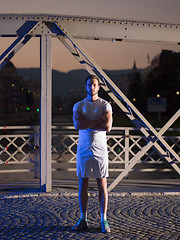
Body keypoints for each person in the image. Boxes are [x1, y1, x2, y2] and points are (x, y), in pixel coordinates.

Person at [72, 74, 113, 233]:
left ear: (98, 87)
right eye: (89, 85)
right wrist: (98, 120)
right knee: (83, 185)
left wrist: (88, 123)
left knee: (102, 185)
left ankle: (103, 219)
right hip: (83, 148)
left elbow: (107, 126)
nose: (92, 87)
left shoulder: (106, 105)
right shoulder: (79, 105)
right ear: (85, 87)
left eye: (94, 85)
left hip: (100, 148)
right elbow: (78, 125)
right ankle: (84, 218)